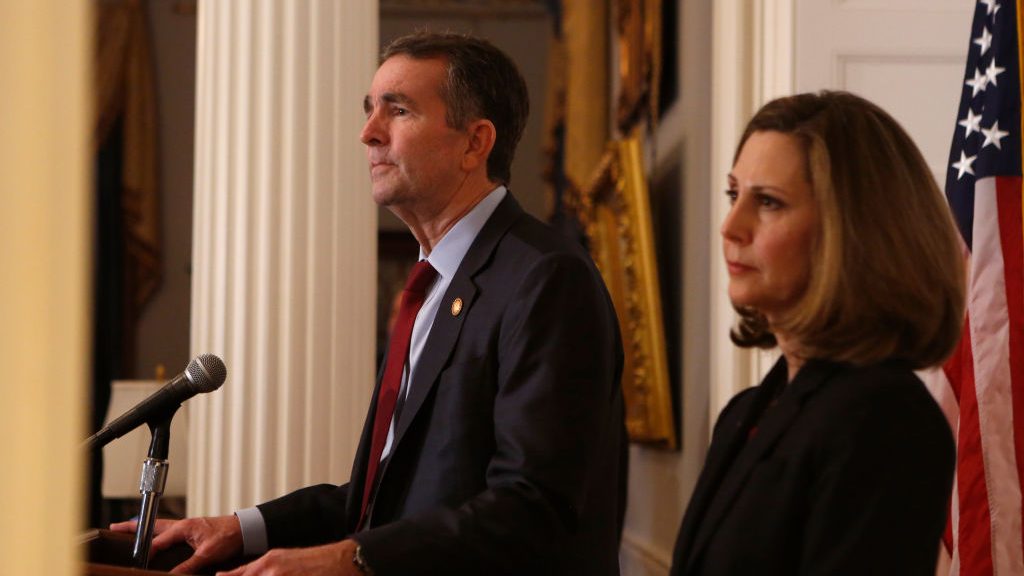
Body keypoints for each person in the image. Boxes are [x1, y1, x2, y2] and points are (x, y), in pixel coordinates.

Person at [113, 32, 627, 575]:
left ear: (476, 143)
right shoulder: (434, 287)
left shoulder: (544, 278)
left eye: (398, 111)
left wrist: (349, 559)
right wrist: (241, 527)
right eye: (369, 111)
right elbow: (384, 500)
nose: (367, 134)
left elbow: (533, 507)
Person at [670, 91, 964, 575]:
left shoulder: (887, 418)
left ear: (853, 231)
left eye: (767, 201)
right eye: (733, 194)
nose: (730, 225)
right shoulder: (747, 411)